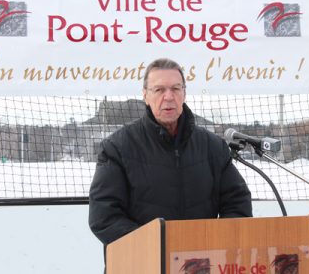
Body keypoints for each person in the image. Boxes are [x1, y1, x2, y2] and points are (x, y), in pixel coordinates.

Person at [88, 58, 252, 248]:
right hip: (140, 262)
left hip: (198, 264)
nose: (168, 97)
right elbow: (104, 216)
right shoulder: (117, 147)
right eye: (159, 90)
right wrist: (157, 246)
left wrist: (214, 242)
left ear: (184, 93)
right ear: (145, 96)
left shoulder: (213, 147)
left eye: (175, 89)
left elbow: (237, 204)